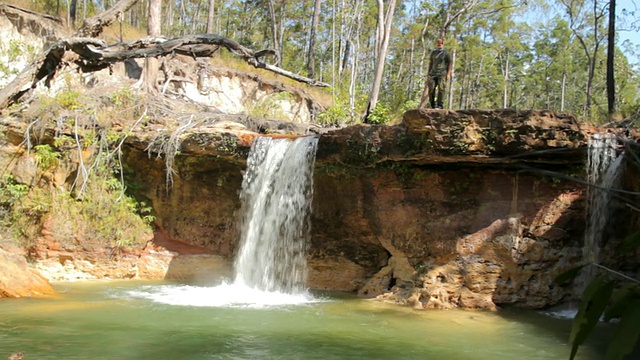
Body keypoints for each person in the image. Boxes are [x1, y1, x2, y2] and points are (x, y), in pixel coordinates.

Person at [419, 38, 452, 109]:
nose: (439, 45)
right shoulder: (433, 53)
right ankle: (432, 105)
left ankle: (440, 105)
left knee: (441, 89)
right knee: (431, 89)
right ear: (436, 44)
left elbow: (449, 63)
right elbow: (430, 63)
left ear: (442, 44)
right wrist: (428, 74)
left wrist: (448, 74)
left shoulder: (446, 53)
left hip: (442, 73)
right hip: (433, 73)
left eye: (440, 43)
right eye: (438, 43)